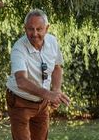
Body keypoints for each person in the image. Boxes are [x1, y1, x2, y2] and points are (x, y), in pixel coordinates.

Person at [6, 9, 70, 140]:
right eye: (30, 29)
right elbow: (21, 81)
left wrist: (56, 91)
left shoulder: (52, 41)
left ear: (47, 28)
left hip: (42, 103)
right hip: (20, 102)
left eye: (39, 29)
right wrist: (49, 94)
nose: (34, 33)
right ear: (25, 28)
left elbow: (57, 67)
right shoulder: (18, 48)